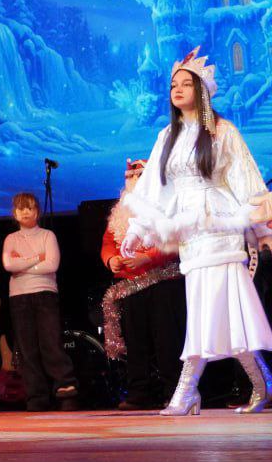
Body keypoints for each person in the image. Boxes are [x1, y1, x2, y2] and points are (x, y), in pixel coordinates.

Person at [121, 48, 272, 415]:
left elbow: (246, 180)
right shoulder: (166, 136)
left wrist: (262, 228)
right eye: (173, 84)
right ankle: (262, 383)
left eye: (186, 84)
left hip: (217, 225)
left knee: (214, 308)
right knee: (218, 312)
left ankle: (187, 391)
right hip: (190, 234)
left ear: (201, 91)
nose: (177, 89)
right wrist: (137, 228)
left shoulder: (222, 131)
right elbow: (153, 189)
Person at [100, 167, 186, 411]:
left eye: (138, 175)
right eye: (129, 177)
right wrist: (111, 260)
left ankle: (174, 391)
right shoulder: (120, 211)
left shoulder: (164, 205)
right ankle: (139, 393)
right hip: (130, 286)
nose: (133, 180)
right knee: (135, 342)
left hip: (161, 282)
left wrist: (147, 258)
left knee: (167, 340)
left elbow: (173, 241)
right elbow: (108, 243)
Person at [2, 192, 78, 412]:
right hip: (19, 296)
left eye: (30, 207)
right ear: (15, 213)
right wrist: (37, 258)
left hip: (45, 293)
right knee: (27, 348)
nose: (26, 212)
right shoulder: (11, 239)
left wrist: (23, 265)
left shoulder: (47, 235)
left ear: (37, 212)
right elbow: (9, 265)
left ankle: (66, 390)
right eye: (21, 208)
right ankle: (36, 397)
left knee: (50, 343)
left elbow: (51, 265)